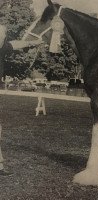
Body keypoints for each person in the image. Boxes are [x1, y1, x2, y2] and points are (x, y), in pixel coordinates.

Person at [0, 24, 43, 176]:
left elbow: (18, 43)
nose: (2, 37)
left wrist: (34, 43)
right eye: (1, 34)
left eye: (3, 34)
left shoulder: (3, 48)